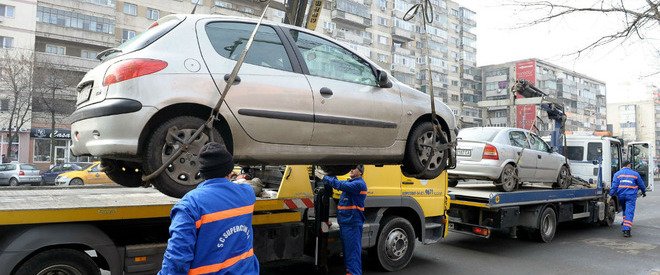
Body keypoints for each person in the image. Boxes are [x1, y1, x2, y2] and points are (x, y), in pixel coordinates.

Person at [159, 142, 259, 275]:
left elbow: (177, 259)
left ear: (201, 172)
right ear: (229, 170)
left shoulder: (190, 205)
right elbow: (249, 185)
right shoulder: (247, 194)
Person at [316, 165, 368, 275]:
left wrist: (323, 177)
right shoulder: (351, 183)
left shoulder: (359, 184)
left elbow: (339, 185)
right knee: (348, 255)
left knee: (352, 256)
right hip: (346, 224)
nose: (351, 169)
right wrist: (330, 172)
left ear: (361, 172)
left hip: (352, 225)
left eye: (355, 168)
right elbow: (338, 182)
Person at [610, 160, 647, 238]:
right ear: (629, 165)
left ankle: (625, 222)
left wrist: (610, 195)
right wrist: (644, 192)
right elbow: (641, 184)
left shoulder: (617, 174)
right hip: (631, 196)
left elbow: (614, 186)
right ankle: (626, 230)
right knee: (629, 212)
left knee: (625, 210)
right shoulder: (635, 174)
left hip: (621, 196)